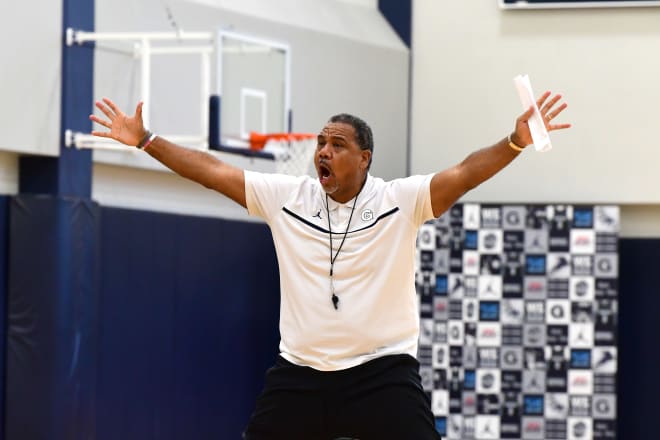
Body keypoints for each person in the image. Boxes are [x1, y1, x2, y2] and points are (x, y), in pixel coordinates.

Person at [90, 91, 570, 439]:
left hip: (381, 372)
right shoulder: (287, 197)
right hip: (300, 373)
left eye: (337, 144)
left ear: (364, 158)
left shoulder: (399, 200)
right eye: (321, 142)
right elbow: (213, 171)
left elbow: (464, 173)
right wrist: (147, 140)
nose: (323, 150)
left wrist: (513, 141)